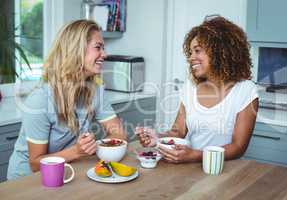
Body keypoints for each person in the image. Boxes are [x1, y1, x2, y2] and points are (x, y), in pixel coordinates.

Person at [7, 19, 127, 179]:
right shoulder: (41, 99)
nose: (104, 54)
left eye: (103, 48)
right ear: (76, 50)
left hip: (68, 171)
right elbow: (35, 164)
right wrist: (77, 151)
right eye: (98, 47)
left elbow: (119, 133)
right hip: (27, 181)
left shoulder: (95, 89)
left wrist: (94, 146)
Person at [136, 16, 258, 163]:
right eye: (191, 52)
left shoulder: (245, 91)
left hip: (226, 172)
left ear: (220, 51)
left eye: (197, 51)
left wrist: (196, 155)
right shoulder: (190, 88)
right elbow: (179, 132)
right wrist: (159, 138)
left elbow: (238, 147)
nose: (191, 58)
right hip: (190, 169)